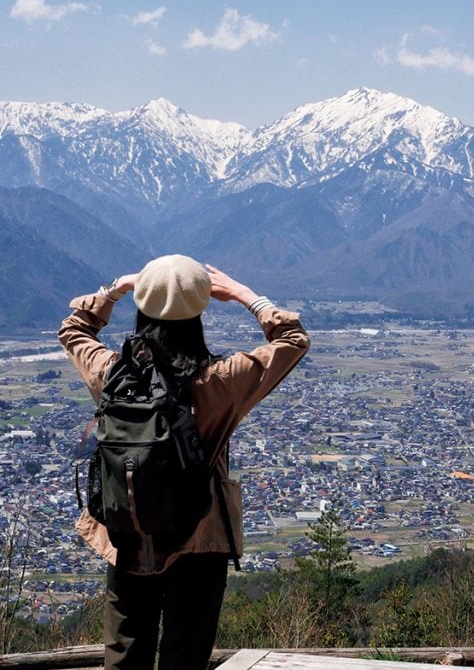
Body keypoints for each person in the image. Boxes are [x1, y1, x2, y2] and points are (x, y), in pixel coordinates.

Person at [59, 254, 310, 669]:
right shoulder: (218, 381)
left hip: (127, 531)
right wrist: (247, 296)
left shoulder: (110, 373)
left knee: (124, 653)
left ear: (141, 305)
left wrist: (116, 289)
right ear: (200, 312)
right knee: (185, 655)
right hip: (199, 535)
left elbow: (74, 329)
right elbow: (292, 341)